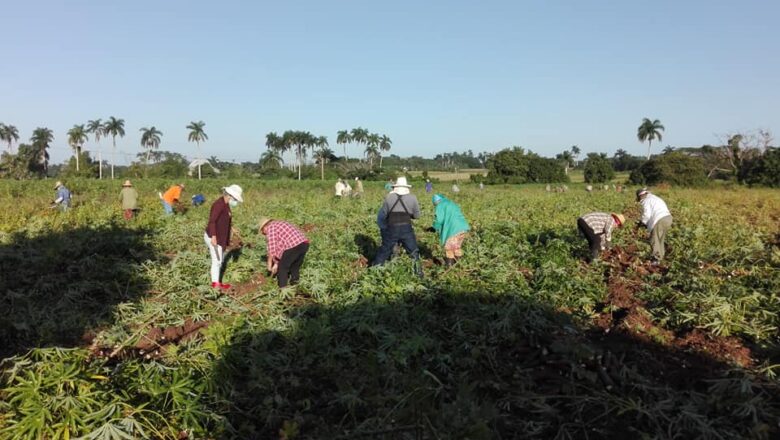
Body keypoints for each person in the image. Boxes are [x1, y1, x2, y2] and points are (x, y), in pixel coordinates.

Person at [371, 176, 423, 277]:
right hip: (406, 228)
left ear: (395, 187)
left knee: (385, 249)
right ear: (406, 187)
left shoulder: (388, 197)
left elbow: (385, 214)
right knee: (413, 251)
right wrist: (409, 214)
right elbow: (417, 216)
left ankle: (374, 271)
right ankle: (419, 273)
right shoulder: (413, 198)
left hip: (392, 227)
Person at [204, 185, 243, 289]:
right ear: (230, 196)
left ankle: (217, 282)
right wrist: (213, 236)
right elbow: (212, 221)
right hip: (214, 236)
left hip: (221, 236)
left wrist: (232, 228)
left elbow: (226, 218)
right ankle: (215, 284)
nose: (236, 201)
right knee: (217, 261)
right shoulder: (218, 205)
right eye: (235, 199)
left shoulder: (225, 204)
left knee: (219, 260)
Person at [259, 217, 310, 288]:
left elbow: (272, 248)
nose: (264, 234)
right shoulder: (279, 224)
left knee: (282, 268)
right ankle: (295, 286)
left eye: (263, 232)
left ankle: (283, 289)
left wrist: (269, 264)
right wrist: (276, 263)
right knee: (294, 267)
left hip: (294, 245)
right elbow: (282, 249)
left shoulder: (271, 227)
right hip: (304, 244)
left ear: (264, 227)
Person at [430, 194, 470, 266]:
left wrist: (434, 227)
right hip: (462, 228)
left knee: (449, 249)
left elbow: (439, 220)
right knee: (457, 248)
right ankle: (460, 266)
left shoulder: (440, 205)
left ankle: (450, 268)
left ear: (436, 202)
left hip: (453, 230)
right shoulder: (451, 203)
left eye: (435, 204)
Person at [636, 188, 673, 262]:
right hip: (668, 218)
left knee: (653, 239)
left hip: (659, 219)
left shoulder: (646, 200)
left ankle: (656, 259)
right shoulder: (655, 198)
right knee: (660, 239)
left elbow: (647, 214)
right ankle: (661, 257)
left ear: (640, 196)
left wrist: (642, 223)